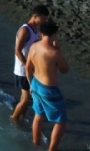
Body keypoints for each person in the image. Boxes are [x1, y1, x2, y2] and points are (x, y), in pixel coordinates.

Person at [25, 21, 69, 151]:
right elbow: (65, 70)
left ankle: (36, 143)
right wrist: (59, 49)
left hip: (35, 84)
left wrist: (30, 85)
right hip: (49, 90)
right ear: (55, 35)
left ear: (40, 33)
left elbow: (28, 68)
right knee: (61, 121)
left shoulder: (34, 46)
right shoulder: (54, 53)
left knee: (39, 115)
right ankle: (52, 149)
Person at [11, 5, 50, 122]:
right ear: (35, 16)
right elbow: (17, 51)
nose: (45, 21)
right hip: (22, 71)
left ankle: (22, 117)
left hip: (31, 70)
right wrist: (27, 66)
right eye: (44, 18)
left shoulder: (36, 30)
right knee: (27, 99)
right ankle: (13, 119)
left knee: (26, 98)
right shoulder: (25, 30)